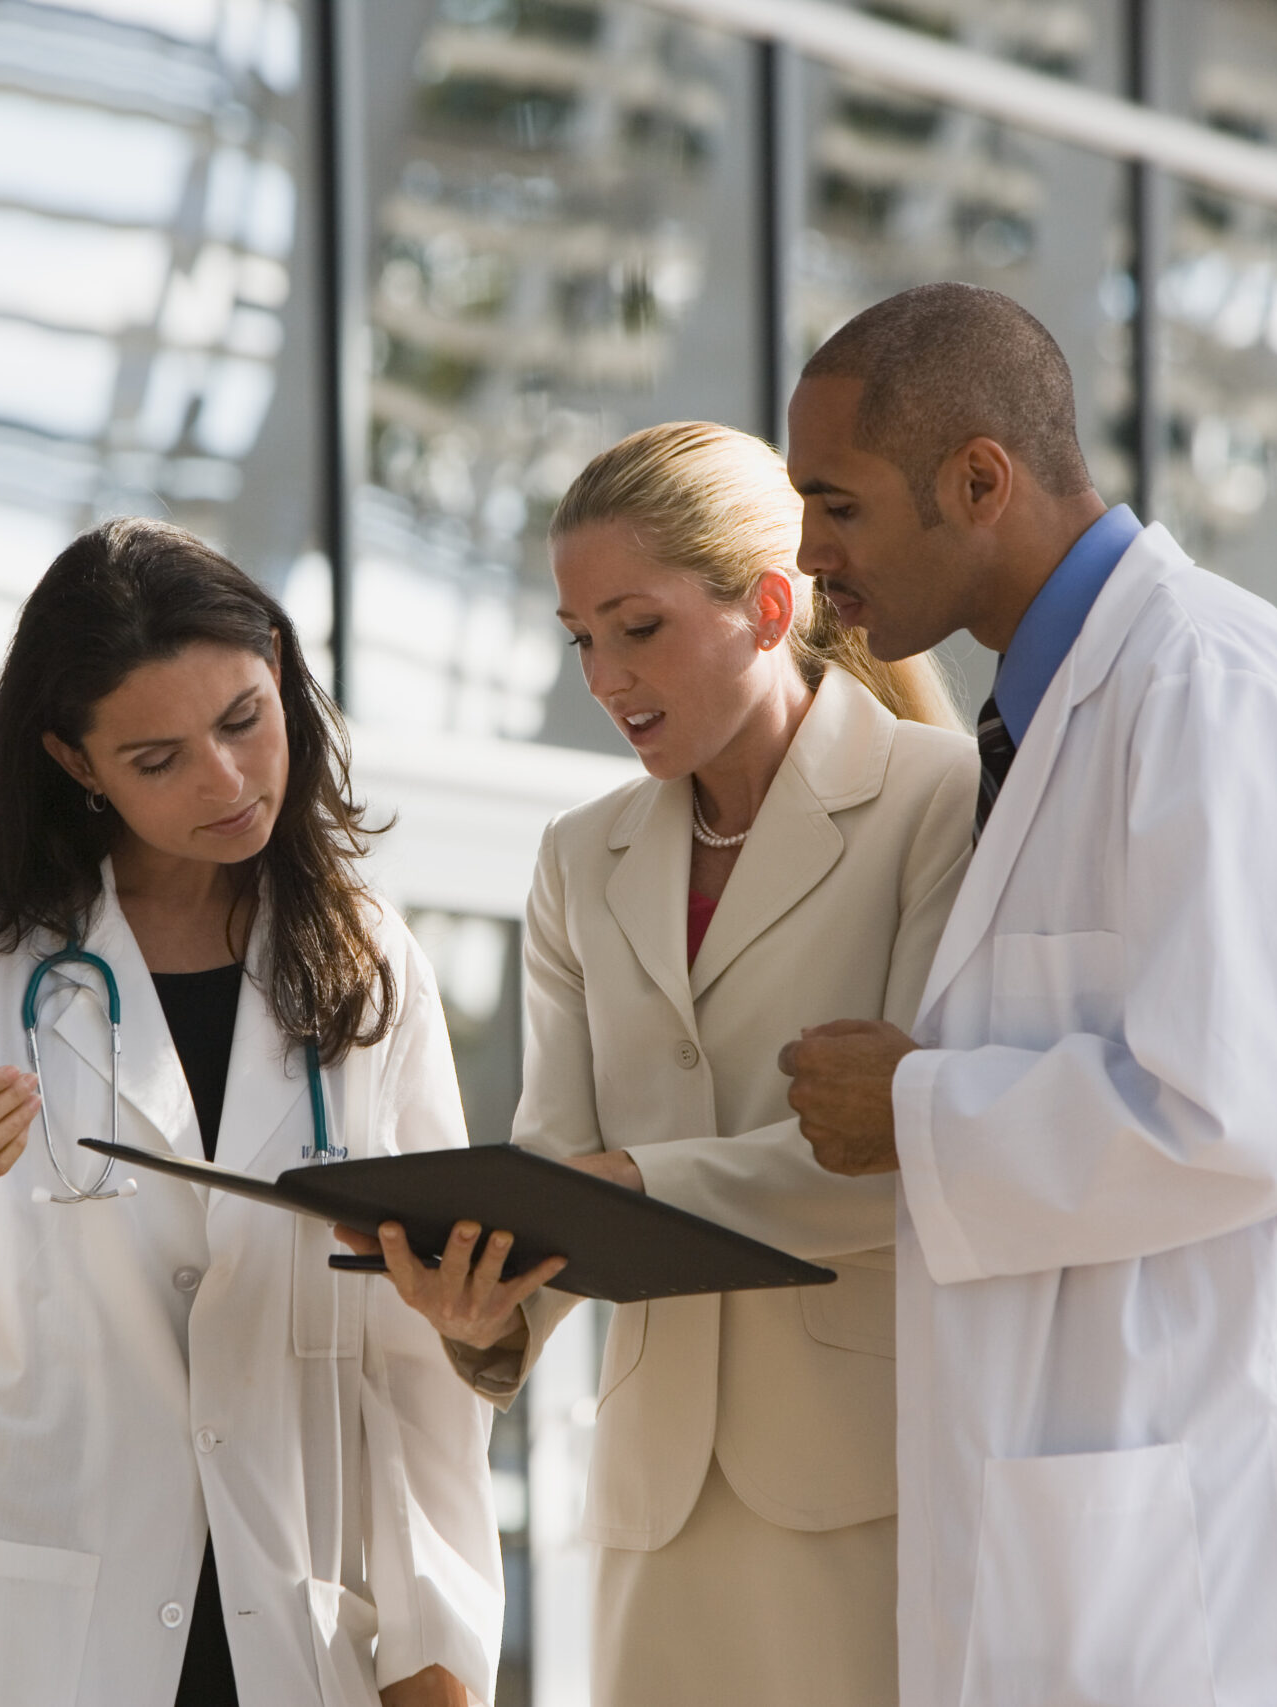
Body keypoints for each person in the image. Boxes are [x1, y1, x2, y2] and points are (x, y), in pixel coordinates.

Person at [776, 282, 1277, 1704]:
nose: (810, 552)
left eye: (838, 504)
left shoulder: (1205, 685)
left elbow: (1258, 1101)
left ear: (978, 478)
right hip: (1118, 1504)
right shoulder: (1045, 713)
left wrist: (917, 1107)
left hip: (1226, 1501)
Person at [0, 520, 500, 1707]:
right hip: (21, 1635)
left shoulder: (366, 961)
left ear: (279, 667)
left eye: (245, 720)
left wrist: (434, 1645)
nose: (225, 781)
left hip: (287, 1627)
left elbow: (409, 1353)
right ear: (73, 759)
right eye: (157, 759)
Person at [351, 421, 976, 1706]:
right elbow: (552, 1159)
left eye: (636, 628)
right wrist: (490, 1312)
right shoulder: (580, 859)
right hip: (654, 1507)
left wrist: (627, 1188)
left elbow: (924, 1152)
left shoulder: (939, 803)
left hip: (870, 1491)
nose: (602, 676)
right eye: (581, 637)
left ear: (763, 606)